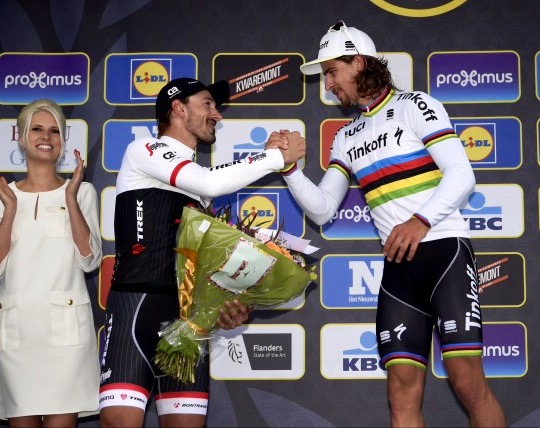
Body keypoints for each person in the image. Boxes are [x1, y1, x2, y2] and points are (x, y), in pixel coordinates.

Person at [278, 21, 506, 427]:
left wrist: (420, 221)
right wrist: (289, 171)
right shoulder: (345, 136)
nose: (328, 85)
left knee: (468, 382)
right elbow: (323, 210)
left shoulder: (415, 105)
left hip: (444, 251)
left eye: (331, 72)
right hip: (400, 269)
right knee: (400, 392)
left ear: (358, 63)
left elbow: (462, 174)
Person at [98, 77, 305, 428]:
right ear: (178, 108)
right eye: (208, 104)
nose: (217, 115)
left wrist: (229, 303)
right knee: (120, 423)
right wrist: (274, 157)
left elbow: (204, 252)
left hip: (187, 321)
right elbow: (209, 180)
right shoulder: (143, 150)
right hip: (135, 308)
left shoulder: (201, 186)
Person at [0, 99, 102, 427]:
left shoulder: (82, 192)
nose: (46, 137)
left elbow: (90, 260)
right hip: (17, 336)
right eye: (37, 129)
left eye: (55, 130)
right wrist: (10, 211)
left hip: (66, 339)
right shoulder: (4, 196)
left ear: (63, 140)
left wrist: (70, 199)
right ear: (21, 137)